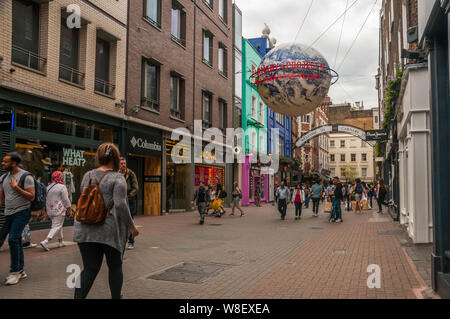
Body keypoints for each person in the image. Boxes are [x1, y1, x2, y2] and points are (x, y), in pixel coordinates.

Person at [73, 143, 139, 299]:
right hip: (109, 231)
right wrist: (132, 227)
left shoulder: (87, 175)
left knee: (89, 269)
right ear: (115, 159)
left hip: (85, 229)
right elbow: (121, 204)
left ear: (99, 157)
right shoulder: (118, 177)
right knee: (115, 267)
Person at [0, 152, 35, 285]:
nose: (3, 163)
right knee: (11, 240)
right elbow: (1, 197)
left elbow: (31, 197)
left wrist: (16, 188)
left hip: (22, 212)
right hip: (8, 213)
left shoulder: (26, 177)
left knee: (13, 238)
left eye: (5, 162)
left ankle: (15, 272)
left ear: (13, 163)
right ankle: (21, 271)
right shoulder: (3, 178)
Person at [40, 171, 72, 251]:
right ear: (61, 177)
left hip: (50, 210)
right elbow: (66, 200)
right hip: (59, 210)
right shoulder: (62, 187)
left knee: (58, 226)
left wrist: (46, 211)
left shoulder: (48, 186)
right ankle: (46, 241)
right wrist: (69, 209)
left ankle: (61, 242)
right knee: (56, 226)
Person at [119, 157, 139, 250]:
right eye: (121, 163)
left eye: (124, 163)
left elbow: (135, 188)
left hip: (129, 202)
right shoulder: (116, 173)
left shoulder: (131, 174)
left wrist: (128, 197)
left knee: (130, 221)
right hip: (119, 202)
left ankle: (131, 241)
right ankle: (120, 240)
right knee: (119, 221)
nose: (123, 165)